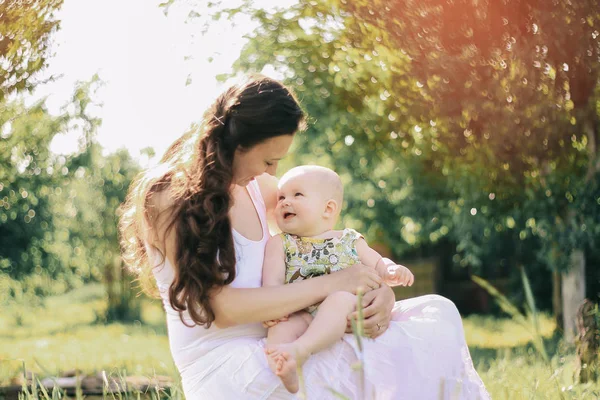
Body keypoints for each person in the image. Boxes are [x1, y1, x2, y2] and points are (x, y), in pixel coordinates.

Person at [119, 74, 490, 399]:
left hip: (288, 337)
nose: (274, 172)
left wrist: (375, 292)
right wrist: (335, 284)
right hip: (228, 367)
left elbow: (316, 248)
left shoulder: (260, 187)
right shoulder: (167, 197)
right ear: (236, 143)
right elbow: (221, 310)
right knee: (397, 360)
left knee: (437, 315)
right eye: (268, 161)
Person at [262, 165, 415, 393]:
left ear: (328, 208)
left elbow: (377, 263)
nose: (284, 201)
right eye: (281, 196)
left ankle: (302, 349)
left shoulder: (349, 239)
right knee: (281, 329)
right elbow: (271, 283)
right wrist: (272, 310)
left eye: (297, 195)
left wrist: (391, 270)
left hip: (342, 312)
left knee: (340, 299)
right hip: (300, 311)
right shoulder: (280, 243)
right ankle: (284, 365)